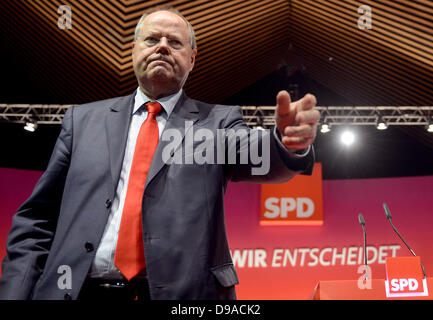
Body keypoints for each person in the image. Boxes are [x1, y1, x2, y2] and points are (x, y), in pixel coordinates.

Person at [0, 7, 319, 300]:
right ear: (135, 50)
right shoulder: (82, 121)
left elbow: (260, 156)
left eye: (175, 42)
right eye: (152, 39)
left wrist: (286, 143)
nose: (163, 46)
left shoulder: (217, 122)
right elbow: (37, 219)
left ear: (192, 59)